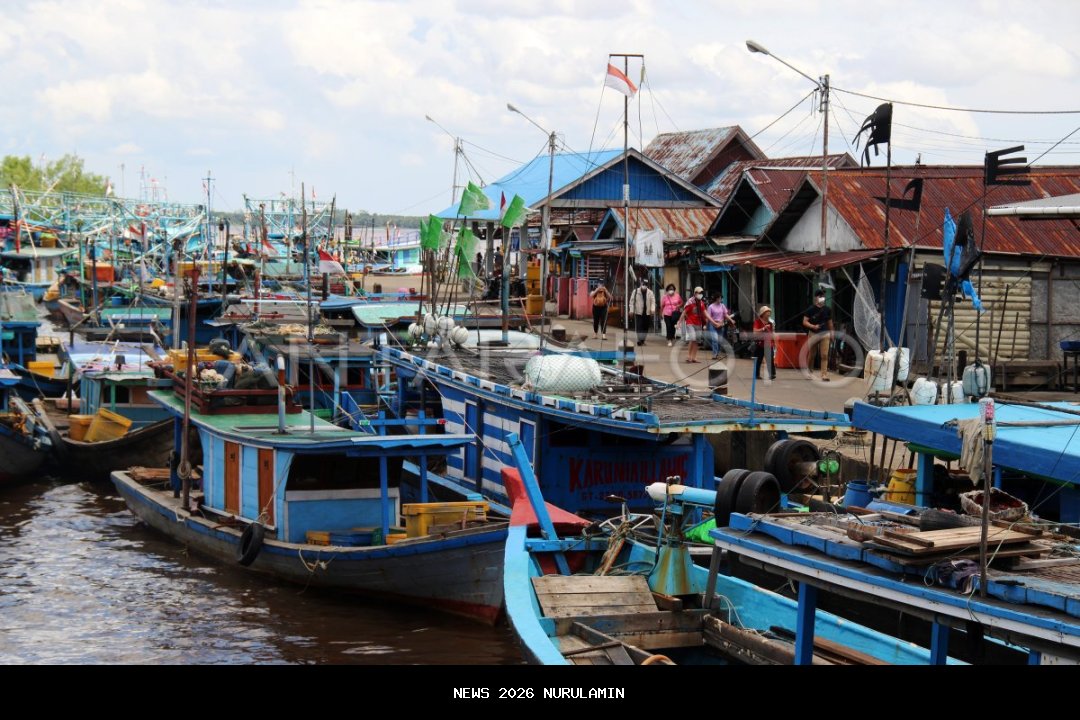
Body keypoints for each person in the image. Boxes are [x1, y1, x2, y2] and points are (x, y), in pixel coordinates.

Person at [802, 289, 834, 381]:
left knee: (824, 355)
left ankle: (824, 374)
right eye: (820, 296)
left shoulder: (828, 309)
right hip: (813, 333)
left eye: (823, 296)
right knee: (812, 354)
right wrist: (813, 326)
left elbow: (830, 323)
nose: (822, 298)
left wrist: (832, 333)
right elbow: (804, 321)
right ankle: (809, 372)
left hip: (825, 334)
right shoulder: (810, 309)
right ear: (816, 298)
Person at [705, 292, 735, 360]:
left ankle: (717, 353)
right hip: (713, 324)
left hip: (721, 324)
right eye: (719, 298)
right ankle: (714, 354)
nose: (720, 299)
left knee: (719, 340)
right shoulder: (711, 306)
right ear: (716, 299)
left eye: (721, 298)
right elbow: (708, 317)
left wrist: (731, 320)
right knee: (714, 339)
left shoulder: (722, 306)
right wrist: (706, 325)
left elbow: (726, 314)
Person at [682, 287, 707, 363]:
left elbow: (704, 314)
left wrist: (705, 323)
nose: (700, 294)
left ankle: (694, 357)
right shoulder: (690, 302)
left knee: (696, 341)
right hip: (690, 323)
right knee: (692, 338)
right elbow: (684, 312)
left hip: (698, 323)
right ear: (695, 293)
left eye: (701, 293)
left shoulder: (702, 303)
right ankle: (689, 356)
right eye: (699, 293)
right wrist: (681, 321)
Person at [630, 278, 656, 346]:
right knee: (639, 326)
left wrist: (652, 309)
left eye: (646, 284)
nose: (644, 285)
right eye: (643, 284)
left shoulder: (650, 292)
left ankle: (642, 340)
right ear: (641, 284)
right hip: (638, 312)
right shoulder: (635, 291)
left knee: (645, 327)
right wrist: (631, 310)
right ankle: (639, 340)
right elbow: (632, 302)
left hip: (647, 312)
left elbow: (653, 302)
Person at [753, 305, 776, 380]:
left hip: (769, 343)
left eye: (769, 312)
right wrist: (763, 328)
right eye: (767, 312)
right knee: (758, 360)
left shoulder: (771, 322)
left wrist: (774, 342)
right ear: (763, 313)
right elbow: (755, 331)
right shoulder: (757, 322)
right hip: (760, 343)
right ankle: (756, 374)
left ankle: (772, 374)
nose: (769, 313)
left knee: (770, 359)